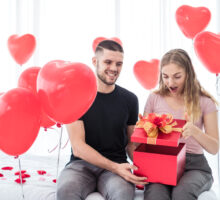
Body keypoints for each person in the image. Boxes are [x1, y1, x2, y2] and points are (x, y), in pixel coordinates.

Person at [56, 40, 148, 200]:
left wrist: (151, 170)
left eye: (119, 64)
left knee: (123, 195)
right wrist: (115, 167)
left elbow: (131, 144)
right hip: (81, 165)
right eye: (108, 62)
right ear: (94, 61)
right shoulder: (75, 97)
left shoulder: (130, 99)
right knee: (66, 191)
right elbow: (78, 147)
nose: (114, 68)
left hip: (117, 166)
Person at [143, 48, 219, 200]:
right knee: (155, 195)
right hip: (162, 162)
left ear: (188, 74)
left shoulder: (205, 101)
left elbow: (214, 148)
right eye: (165, 77)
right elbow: (144, 139)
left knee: (182, 194)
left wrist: (195, 132)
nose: (170, 83)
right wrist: (148, 129)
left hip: (195, 166)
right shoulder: (154, 98)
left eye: (177, 76)